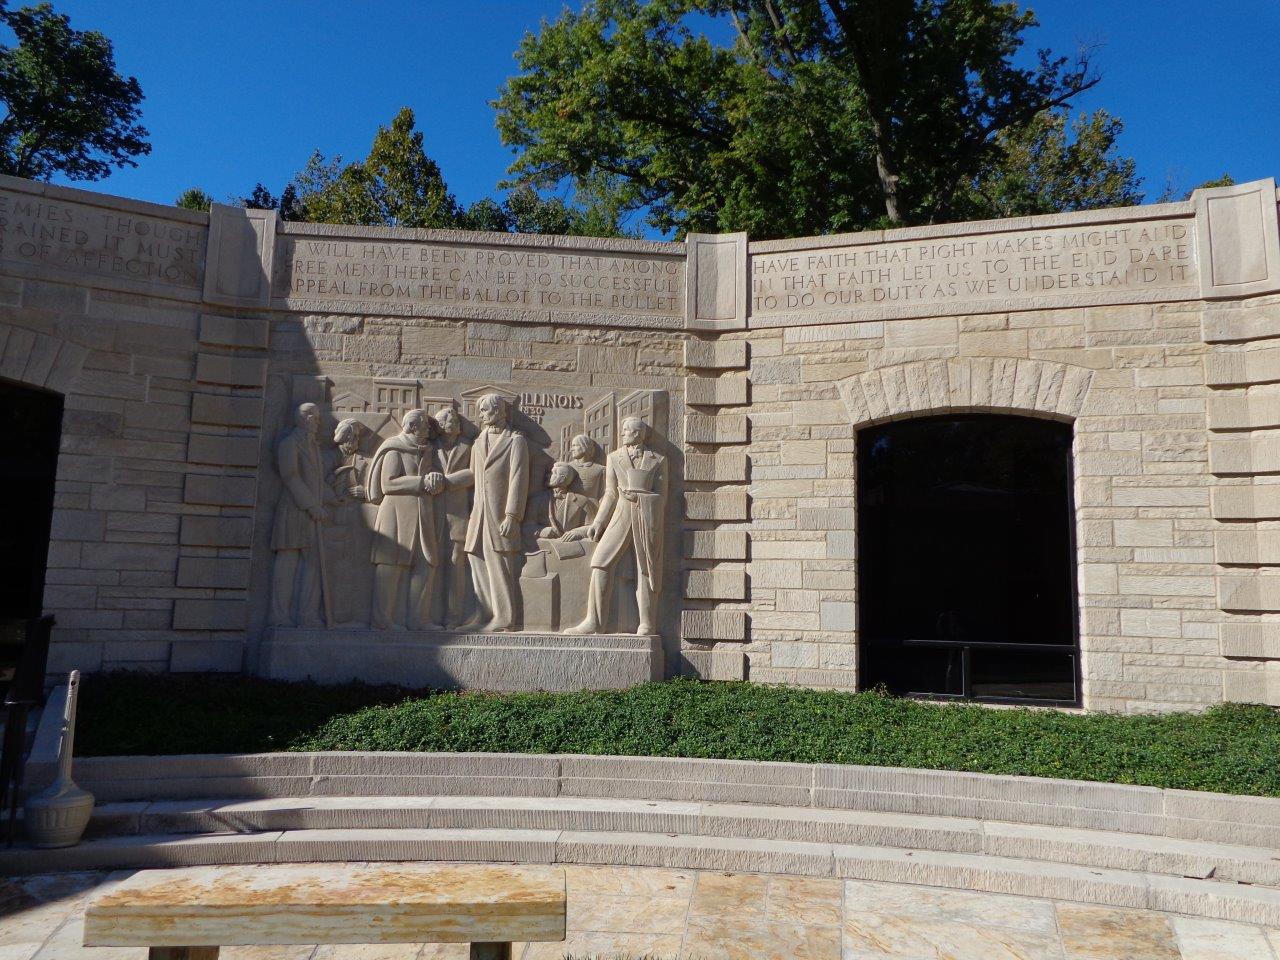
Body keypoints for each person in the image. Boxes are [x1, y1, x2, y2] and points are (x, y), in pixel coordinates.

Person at [566, 417, 667, 636]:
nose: (622, 435)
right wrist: (599, 522)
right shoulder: (614, 458)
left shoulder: (658, 459)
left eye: (626, 431)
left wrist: (643, 498)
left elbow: (663, 497)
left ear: (638, 434)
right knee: (600, 562)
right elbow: (610, 493)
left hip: (646, 517)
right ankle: (595, 622)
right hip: (620, 515)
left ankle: (647, 622)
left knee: (646, 568)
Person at [366, 410, 444, 630]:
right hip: (396, 514)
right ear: (412, 426)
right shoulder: (395, 448)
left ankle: (420, 620)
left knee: (426, 563)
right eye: (425, 426)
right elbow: (388, 483)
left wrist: (435, 478)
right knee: (391, 566)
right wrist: (421, 482)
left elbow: (432, 477)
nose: (429, 429)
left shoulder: (426, 451)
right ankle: (382, 621)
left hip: (422, 513)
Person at [462, 394, 529, 632]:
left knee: (499, 562)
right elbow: (471, 475)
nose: (481, 415)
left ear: (500, 411)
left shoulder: (515, 441)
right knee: (476, 557)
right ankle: (484, 614)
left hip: (501, 514)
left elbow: (518, 480)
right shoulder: (479, 442)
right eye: (480, 411)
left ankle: (504, 617)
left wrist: (512, 515)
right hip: (479, 513)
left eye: (485, 410)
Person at [270, 403, 329, 627]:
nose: (318, 423)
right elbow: (291, 476)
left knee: (314, 563)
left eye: (318, 418)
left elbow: (318, 482)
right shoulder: (289, 444)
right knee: (287, 561)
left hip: (313, 513)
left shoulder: (313, 446)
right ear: (303, 419)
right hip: (294, 509)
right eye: (314, 418)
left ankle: (307, 615)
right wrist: (312, 505)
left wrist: (335, 498)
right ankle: (279, 615)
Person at [433, 405, 474, 628]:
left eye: (458, 421)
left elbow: (474, 473)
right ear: (441, 425)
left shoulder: (468, 447)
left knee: (456, 564)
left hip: (458, 515)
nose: (457, 424)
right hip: (431, 514)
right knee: (431, 564)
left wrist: (446, 481)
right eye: (452, 420)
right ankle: (427, 616)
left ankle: (453, 617)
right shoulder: (429, 447)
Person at [539, 462, 594, 541]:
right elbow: (527, 525)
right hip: (544, 548)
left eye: (552, 473)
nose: (548, 476)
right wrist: (542, 531)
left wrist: (578, 532)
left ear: (562, 478)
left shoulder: (582, 501)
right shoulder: (538, 500)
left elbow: (593, 526)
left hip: (571, 549)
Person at [568, 433, 605, 502]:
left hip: (592, 508)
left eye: (574, 446)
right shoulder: (568, 467)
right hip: (572, 507)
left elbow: (603, 494)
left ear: (584, 446)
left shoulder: (601, 469)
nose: (571, 449)